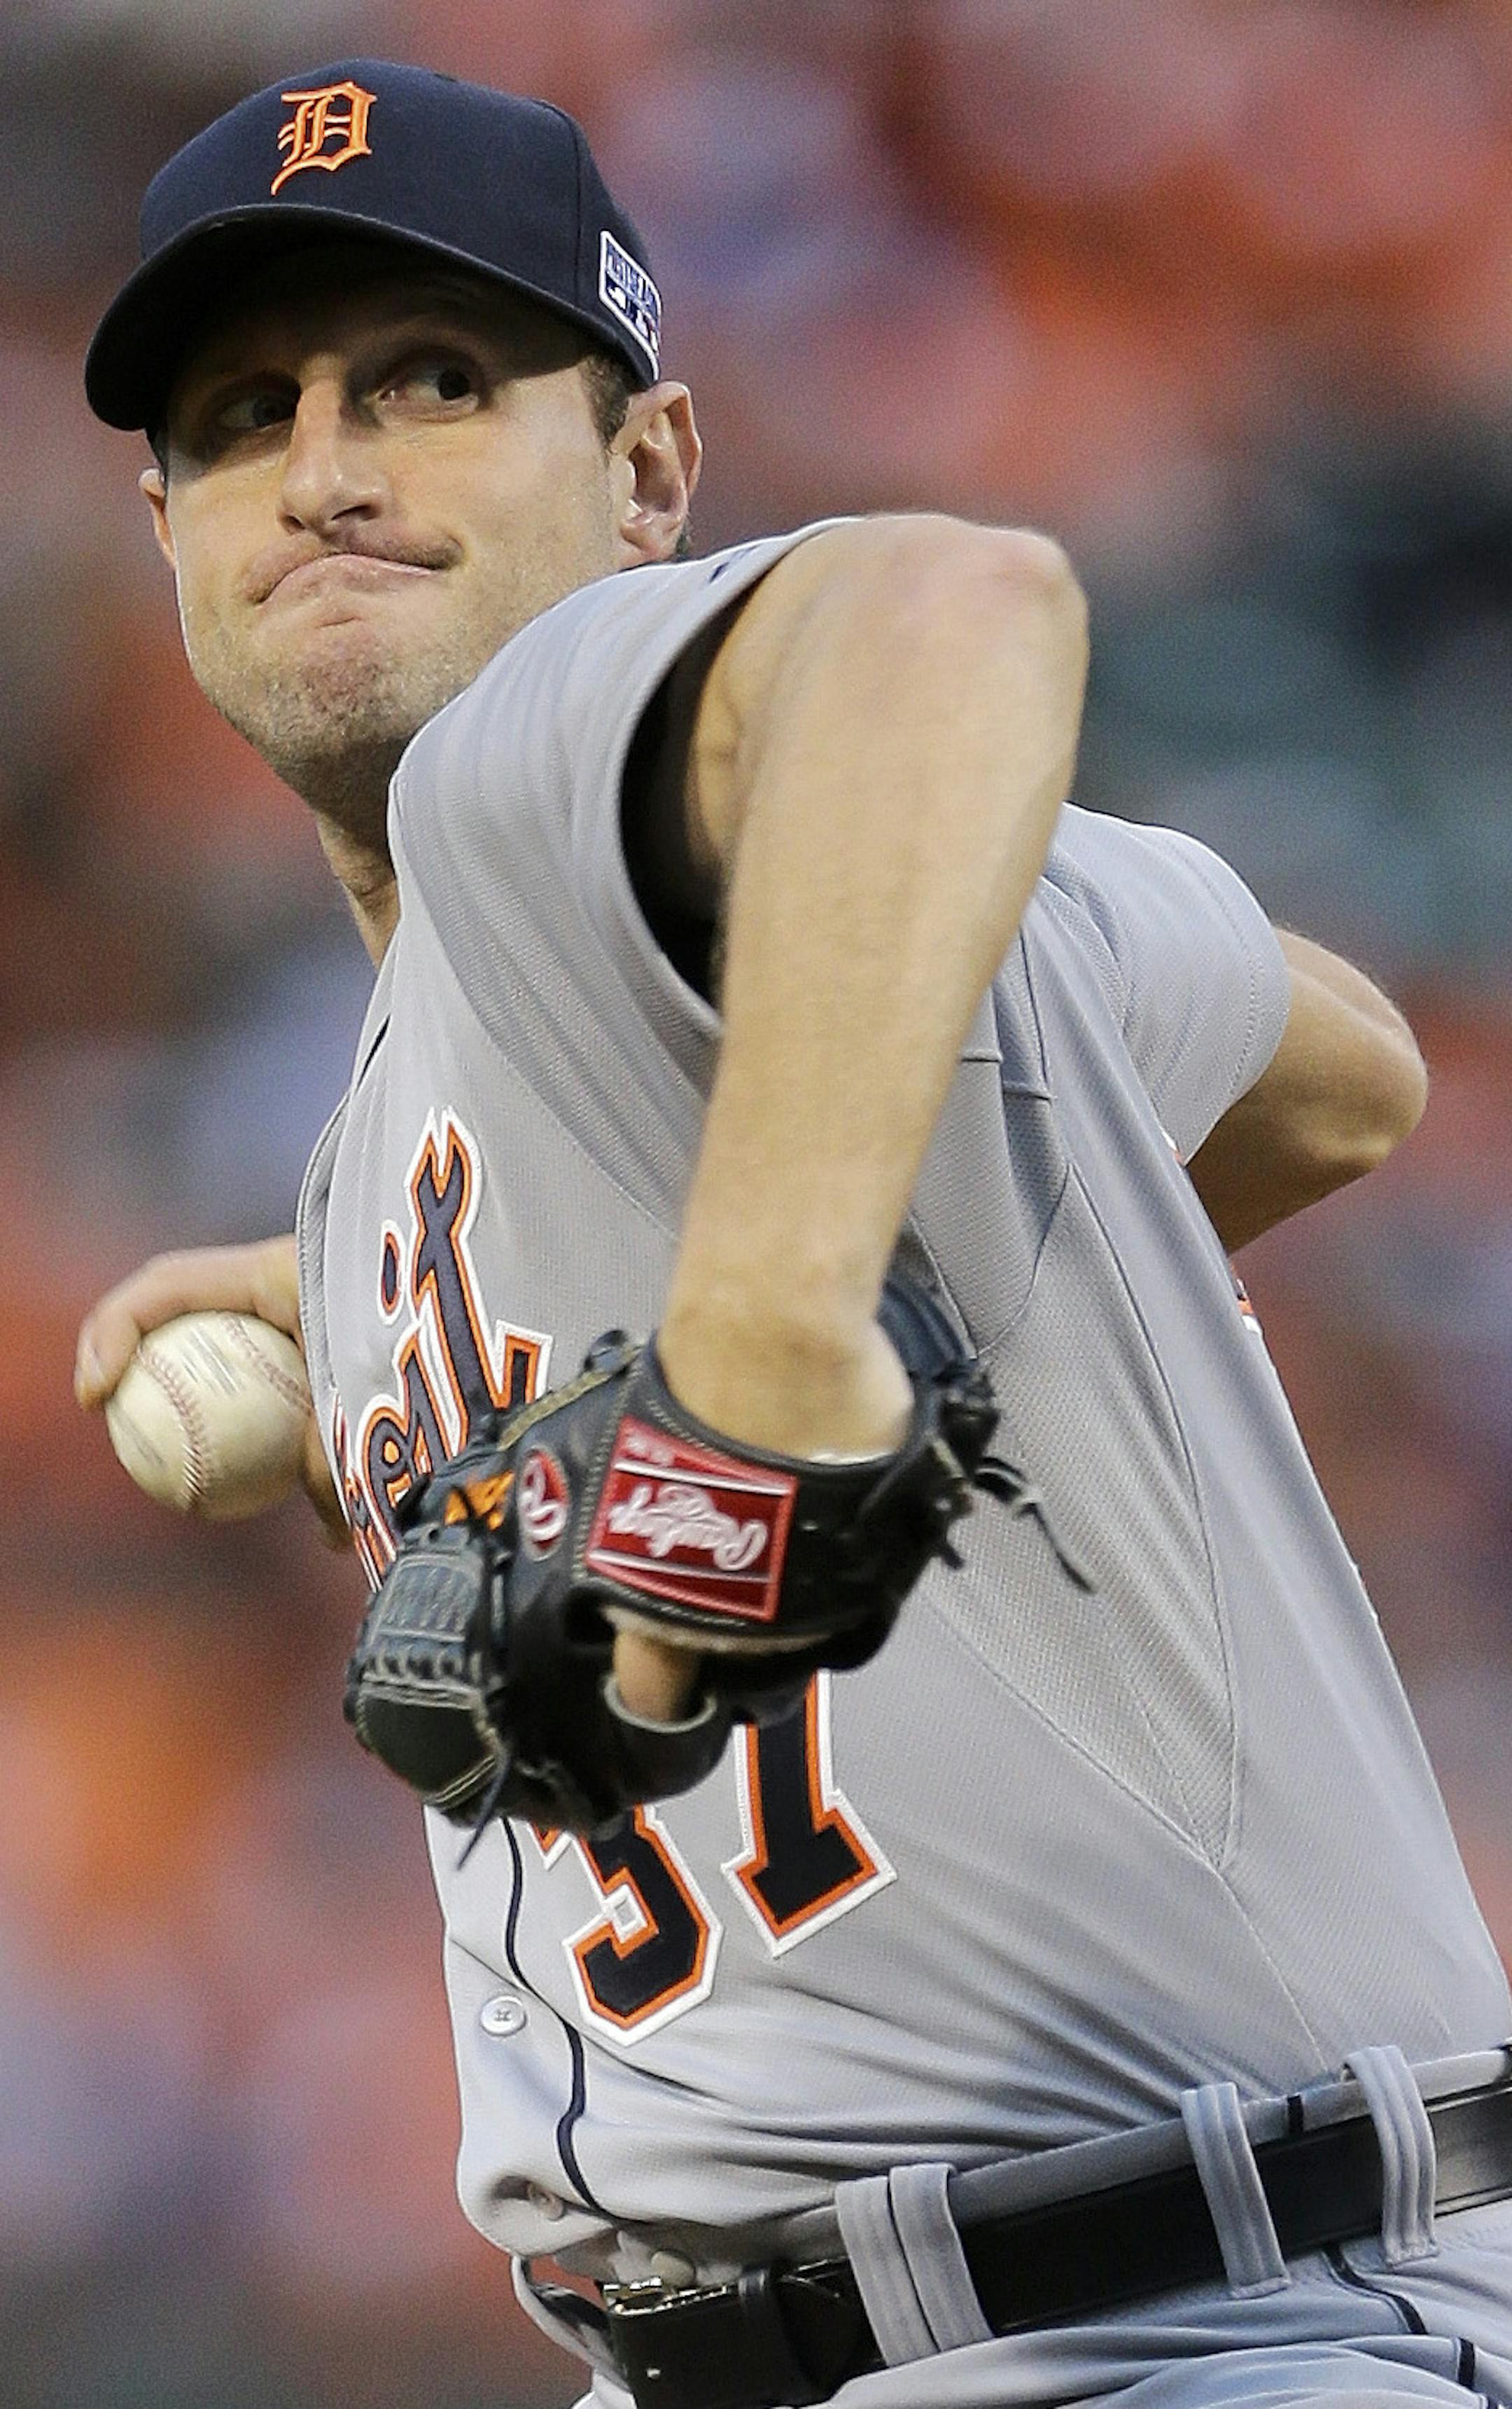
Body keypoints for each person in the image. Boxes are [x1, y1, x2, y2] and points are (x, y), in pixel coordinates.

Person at [74, 57, 1512, 2409]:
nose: (326, 465)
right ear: (168, 532)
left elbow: (949, 606)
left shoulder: (534, 778)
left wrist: (762, 1329)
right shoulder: (449, 1101)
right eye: (243, 416)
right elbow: (1345, 1064)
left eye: (436, 380)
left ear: (646, 478)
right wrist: (845, 1226)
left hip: (1182, 2328)